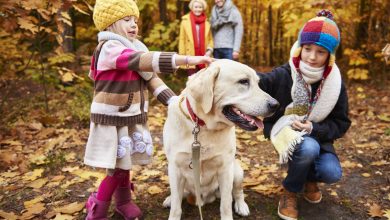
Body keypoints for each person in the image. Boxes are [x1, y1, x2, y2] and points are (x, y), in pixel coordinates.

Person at [84, 0, 213, 219]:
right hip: (111, 118)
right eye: (126, 20)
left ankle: (123, 201)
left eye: (135, 20)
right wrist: (188, 60)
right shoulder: (109, 49)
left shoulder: (134, 47)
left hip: (131, 115)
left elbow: (152, 79)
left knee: (126, 162)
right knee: (116, 168)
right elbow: (143, 61)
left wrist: (176, 103)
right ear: (110, 25)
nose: (134, 24)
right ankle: (98, 205)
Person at [257, 10, 351, 220]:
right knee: (308, 147)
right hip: (285, 131)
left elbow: (342, 122)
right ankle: (290, 191)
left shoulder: (334, 84)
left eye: (320, 52)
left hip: (318, 136)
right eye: (307, 49)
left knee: (332, 172)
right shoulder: (284, 73)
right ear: (301, 47)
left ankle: (309, 178)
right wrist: (235, 71)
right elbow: (259, 81)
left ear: (329, 56)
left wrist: (313, 128)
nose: (311, 57)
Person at [179, 0, 214, 75]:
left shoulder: (207, 22)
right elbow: (182, 40)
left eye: (200, 7)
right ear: (192, 8)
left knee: (204, 79)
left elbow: (210, 39)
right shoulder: (185, 21)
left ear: (203, 8)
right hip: (190, 55)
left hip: (204, 55)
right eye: (196, 7)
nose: (198, 9)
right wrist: (182, 55)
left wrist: (209, 51)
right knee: (192, 79)